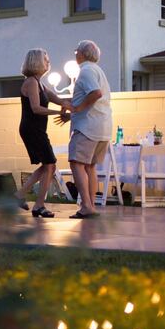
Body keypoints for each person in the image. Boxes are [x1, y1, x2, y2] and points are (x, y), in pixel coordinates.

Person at [56, 40, 112, 219]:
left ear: (81, 54)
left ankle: (87, 205)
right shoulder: (98, 70)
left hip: (88, 127)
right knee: (90, 167)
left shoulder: (86, 70)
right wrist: (71, 115)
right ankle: (90, 206)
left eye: (76, 51)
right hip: (102, 126)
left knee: (76, 163)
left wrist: (78, 109)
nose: (75, 54)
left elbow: (96, 94)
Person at [14, 48, 71, 218]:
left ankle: (20, 196)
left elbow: (57, 98)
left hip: (36, 129)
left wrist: (68, 104)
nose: (48, 62)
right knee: (50, 164)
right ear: (37, 62)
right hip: (31, 129)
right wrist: (59, 113)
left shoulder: (40, 83)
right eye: (45, 59)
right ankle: (38, 205)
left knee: (49, 165)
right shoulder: (31, 82)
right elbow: (36, 108)